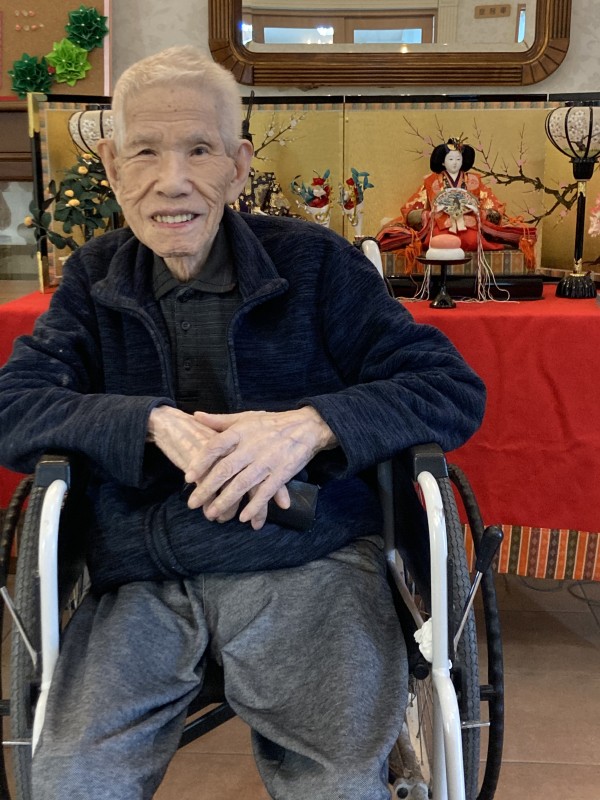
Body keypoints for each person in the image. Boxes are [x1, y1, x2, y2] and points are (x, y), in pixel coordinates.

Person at [0, 47, 486, 800]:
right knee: (72, 780)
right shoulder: (95, 279)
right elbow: (16, 404)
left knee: (336, 785)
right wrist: (148, 422)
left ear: (237, 165)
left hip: (311, 559)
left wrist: (308, 426)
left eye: (200, 149)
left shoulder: (316, 265)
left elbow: (449, 387)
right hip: (145, 574)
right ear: (113, 167)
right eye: (145, 152)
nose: (173, 181)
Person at [377, 137, 537, 258]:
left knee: (473, 240)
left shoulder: (474, 181)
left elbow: (494, 208)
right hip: (441, 227)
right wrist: (431, 213)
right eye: (450, 159)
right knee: (438, 239)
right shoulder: (431, 182)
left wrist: (477, 211)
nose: (455, 163)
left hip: (469, 227)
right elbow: (411, 210)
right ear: (443, 162)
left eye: (458, 159)